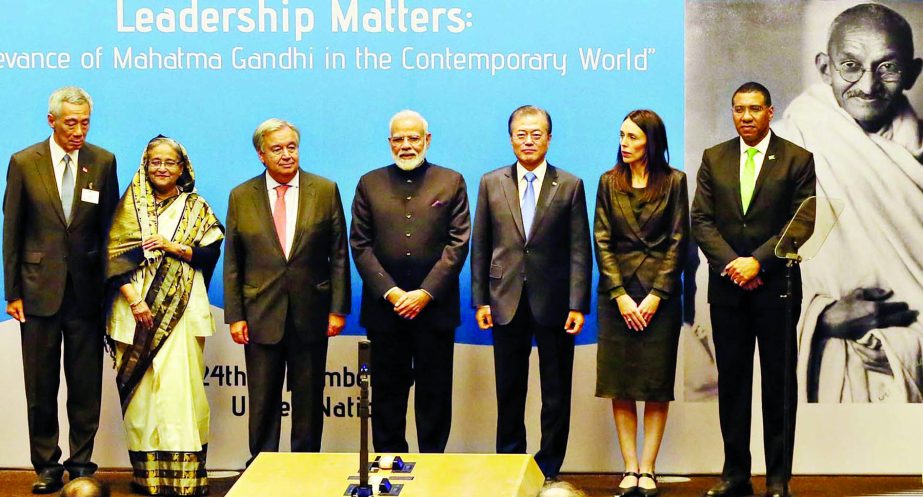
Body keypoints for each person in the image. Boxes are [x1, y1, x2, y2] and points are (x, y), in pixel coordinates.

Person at [772, 2, 923, 403]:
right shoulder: (786, 148)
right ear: (825, 68)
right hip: (827, 373)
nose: (869, 85)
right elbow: (729, 274)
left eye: (887, 67)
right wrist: (821, 318)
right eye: (851, 66)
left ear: (912, 73)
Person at [692, 82, 815, 497]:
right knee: (733, 382)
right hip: (728, 290)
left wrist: (758, 261)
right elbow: (701, 222)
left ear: (769, 111)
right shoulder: (714, 158)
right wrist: (734, 265)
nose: (746, 116)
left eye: (754, 109)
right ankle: (735, 475)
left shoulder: (797, 159)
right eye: (739, 109)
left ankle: (779, 479)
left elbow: (801, 221)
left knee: (779, 385)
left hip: (776, 289)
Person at [3, 86, 119, 494]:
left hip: (86, 293)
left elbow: (110, 231)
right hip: (37, 292)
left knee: (85, 383)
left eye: (85, 122)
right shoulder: (23, 162)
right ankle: (46, 466)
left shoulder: (103, 162)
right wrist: (12, 291)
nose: (79, 131)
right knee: (41, 384)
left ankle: (82, 463)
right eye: (71, 123)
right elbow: (12, 231)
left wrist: (110, 290)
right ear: (51, 120)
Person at [471, 105, 592, 480]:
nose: (528, 141)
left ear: (549, 138)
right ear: (511, 138)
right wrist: (480, 300)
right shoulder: (491, 182)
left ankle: (549, 466)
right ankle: (510, 463)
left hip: (554, 302)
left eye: (536, 134)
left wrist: (578, 304)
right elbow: (481, 245)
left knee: (556, 392)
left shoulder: (569, 185)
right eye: (521, 134)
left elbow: (579, 249)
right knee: (509, 389)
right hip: (504, 299)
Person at [223, 118, 350, 464]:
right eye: (276, 149)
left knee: (308, 399)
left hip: (311, 312)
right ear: (261, 155)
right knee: (263, 399)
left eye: (291, 147)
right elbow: (233, 260)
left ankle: (305, 467)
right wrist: (235, 316)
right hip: (261, 313)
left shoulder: (324, 190)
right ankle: (262, 467)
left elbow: (339, 253)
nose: (286, 155)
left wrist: (338, 309)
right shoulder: (241, 195)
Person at [106, 136, 224, 495]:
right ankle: (147, 477)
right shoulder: (129, 206)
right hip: (133, 309)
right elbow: (112, 259)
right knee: (142, 396)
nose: (162, 168)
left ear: (182, 168)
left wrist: (172, 246)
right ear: (145, 164)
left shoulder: (196, 207)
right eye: (155, 161)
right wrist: (135, 299)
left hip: (182, 310)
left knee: (181, 390)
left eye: (169, 162)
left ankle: (185, 479)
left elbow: (209, 257)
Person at [350, 110, 470, 453]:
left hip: (435, 310)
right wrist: (390, 292)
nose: (406, 145)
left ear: (427, 140)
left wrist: (424, 293)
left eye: (413, 138)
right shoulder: (368, 183)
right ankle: (389, 463)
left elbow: (458, 243)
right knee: (387, 393)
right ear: (390, 143)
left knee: (434, 394)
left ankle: (433, 463)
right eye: (399, 139)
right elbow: (360, 244)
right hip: (385, 311)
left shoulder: (451, 181)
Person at [594, 109, 688, 497]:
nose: (624, 143)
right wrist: (619, 295)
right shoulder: (608, 182)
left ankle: (648, 468)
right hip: (617, 300)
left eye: (632, 137)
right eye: (621, 136)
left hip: (659, 299)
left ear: (651, 141)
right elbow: (602, 239)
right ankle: (629, 466)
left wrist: (654, 296)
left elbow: (679, 241)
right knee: (621, 384)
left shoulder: (675, 181)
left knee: (654, 384)